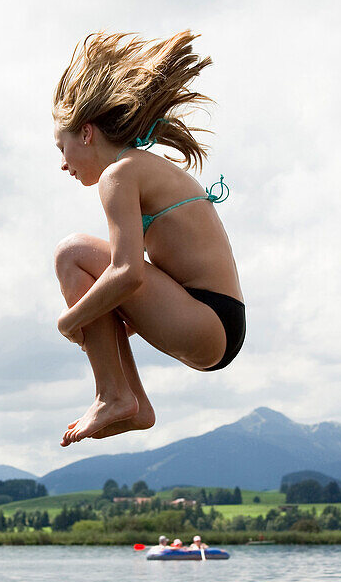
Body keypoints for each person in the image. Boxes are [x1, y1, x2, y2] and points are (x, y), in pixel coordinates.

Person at [53, 30, 245, 446]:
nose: (63, 165)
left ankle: (115, 394)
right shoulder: (139, 167)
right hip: (217, 322)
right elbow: (128, 286)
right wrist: (97, 318)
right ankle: (130, 402)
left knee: (72, 255)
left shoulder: (118, 176)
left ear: (86, 133)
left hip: (207, 320)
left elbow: (128, 274)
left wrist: (69, 321)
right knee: (93, 283)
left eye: (61, 147)